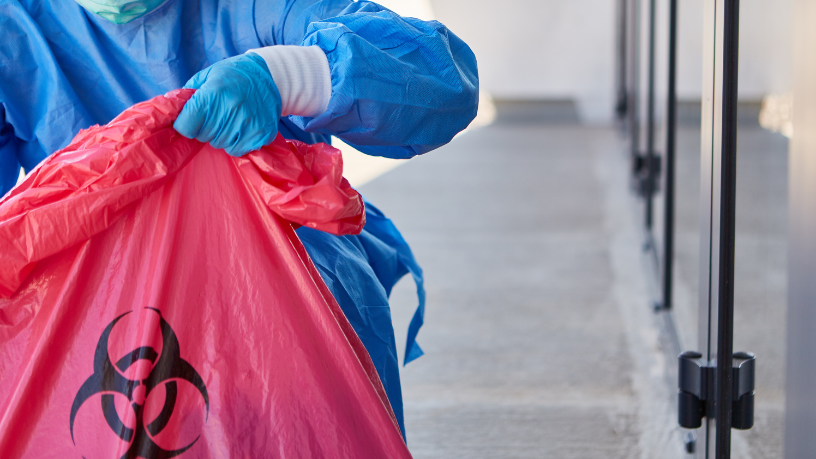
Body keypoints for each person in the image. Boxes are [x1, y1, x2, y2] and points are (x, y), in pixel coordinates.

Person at [0, 0, 478, 438]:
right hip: (90, 292)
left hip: (281, 276)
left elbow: (438, 80)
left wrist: (285, 76)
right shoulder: (14, 28)